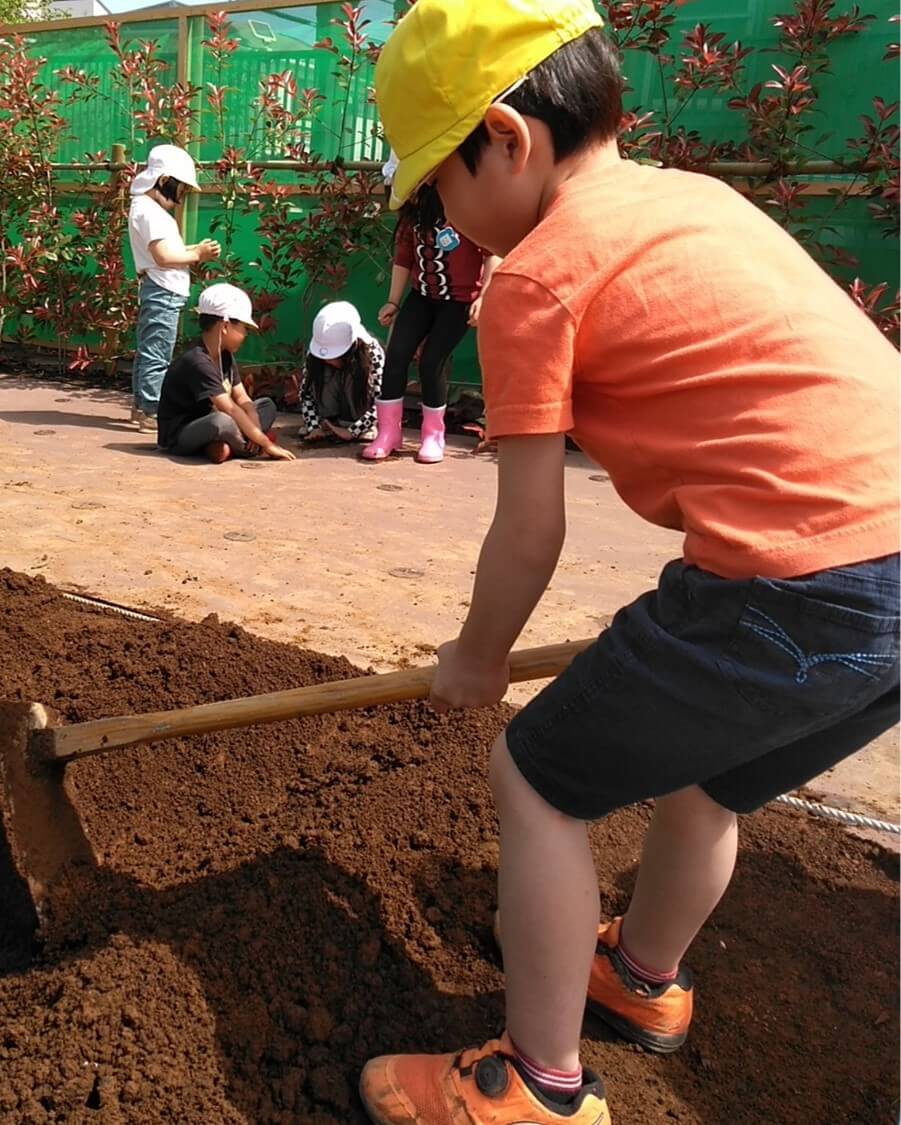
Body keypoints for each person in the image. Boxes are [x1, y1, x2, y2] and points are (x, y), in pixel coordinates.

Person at [359, 3, 900, 1124]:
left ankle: (538, 1089)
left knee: (538, 779)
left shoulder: (537, 279)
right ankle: (642, 979)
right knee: (707, 781)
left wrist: (478, 657)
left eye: (435, 192)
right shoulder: (697, 199)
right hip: (885, 577)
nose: (445, 222)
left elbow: (529, 531)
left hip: (793, 581)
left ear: (505, 138)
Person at [363, 176, 501, 464]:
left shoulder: (468, 207)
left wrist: (484, 297)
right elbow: (404, 258)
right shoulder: (414, 214)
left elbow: (492, 253)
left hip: (458, 301)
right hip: (421, 297)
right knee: (397, 355)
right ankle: (388, 433)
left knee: (431, 360)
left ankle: (432, 435)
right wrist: (393, 301)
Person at [128, 144, 221, 433]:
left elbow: (169, 251)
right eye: (179, 188)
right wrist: (199, 255)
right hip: (162, 290)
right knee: (157, 353)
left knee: (151, 350)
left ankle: (142, 406)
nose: (180, 197)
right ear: (164, 181)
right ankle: (151, 410)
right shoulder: (150, 212)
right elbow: (164, 257)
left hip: (162, 289)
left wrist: (195, 249)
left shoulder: (148, 209)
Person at [157, 283, 296, 464]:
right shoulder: (197, 360)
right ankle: (246, 448)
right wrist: (265, 442)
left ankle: (225, 446)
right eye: (243, 328)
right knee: (221, 421)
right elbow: (229, 407)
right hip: (182, 433)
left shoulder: (225, 355)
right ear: (225, 325)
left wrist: (255, 426)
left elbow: (243, 398)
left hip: (218, 422)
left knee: (265, 405)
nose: (246, 334)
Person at [299, 302, 385, 447]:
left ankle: (360, 425)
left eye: (338, 355)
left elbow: (381, 400)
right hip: (326, 420)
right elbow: (306, 393)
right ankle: (328, 422)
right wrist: (313, 427)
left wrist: (353, 430)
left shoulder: (372, 353)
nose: (329, 361)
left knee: (354, 376)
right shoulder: (313, 355)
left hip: (358, 419)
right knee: (322, 375)